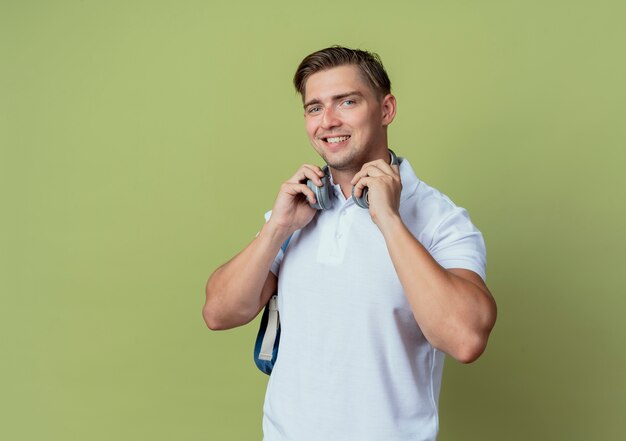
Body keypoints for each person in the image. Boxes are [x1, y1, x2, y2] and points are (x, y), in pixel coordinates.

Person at [203, 46, 497, 441]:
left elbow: (465, 339)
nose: (329, 121)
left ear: (386, 109)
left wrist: (389, 220)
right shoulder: (297, 210)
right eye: (315, 108)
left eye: (347, 102)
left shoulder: (440, 219)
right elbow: (218, 313)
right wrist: (277, 230)